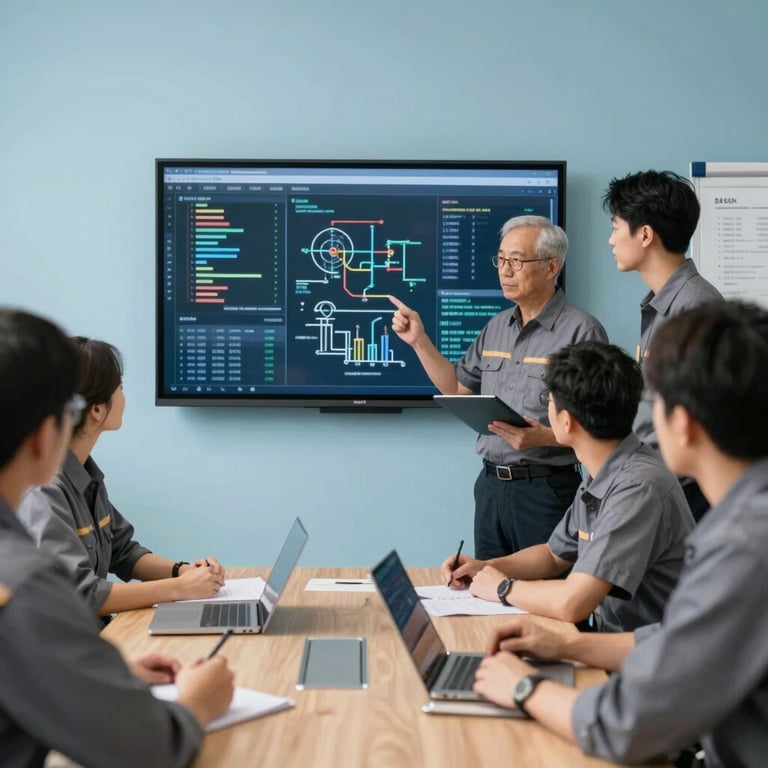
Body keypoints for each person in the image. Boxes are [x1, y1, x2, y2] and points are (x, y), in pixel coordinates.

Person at [472, 301, 768, 767]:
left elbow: (625, 724)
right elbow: (675, 640)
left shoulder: (742, 547)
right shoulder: (745, 520)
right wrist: (565, 644)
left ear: (683, 423)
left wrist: (522, 686)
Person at [0, 308, 233, 767]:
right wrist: (198, 703)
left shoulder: (85, 481)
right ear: (46, 434)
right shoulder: (25, 584)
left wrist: (105, 672)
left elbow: (122, 549)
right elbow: (150, 749)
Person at [390, 215, 607, 560]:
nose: (505, 270)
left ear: (552, 266)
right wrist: (418, 341)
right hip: (490, 489)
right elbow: (457, 389)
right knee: (488, 596)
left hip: (545, 490)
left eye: (517, 261)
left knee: (545, 599)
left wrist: (546, 437)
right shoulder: (496, 327)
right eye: (501, 259)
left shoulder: (582, 332)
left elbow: (600, 427)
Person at [441, 341, 693, 632]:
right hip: (617, 641)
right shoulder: (606, 469)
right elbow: (552, 556)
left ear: (566, 420)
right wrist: (484, 567)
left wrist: (502, 588)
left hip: (651, 658)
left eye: (549, 398)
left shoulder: (637, 487)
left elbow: (573, 602)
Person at [18, 337, 226, 618]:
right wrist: (180, 588)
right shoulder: (43, 492)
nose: (124, 396)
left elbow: (123, 551)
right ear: (96, 410)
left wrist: (182, 570)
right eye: (121, 388)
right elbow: (81, 594)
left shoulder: (86, 476)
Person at [603, 169, 723, 520]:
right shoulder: (663, 304)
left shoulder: (695, 307)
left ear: (645, 234)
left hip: (687, 496)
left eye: (614, 227)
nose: (610, 241)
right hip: (660, 484)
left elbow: (698, 418)